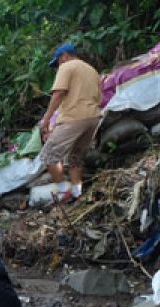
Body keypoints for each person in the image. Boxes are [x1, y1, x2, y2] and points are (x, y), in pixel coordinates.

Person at [38, 43, 102, 202]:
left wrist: (46, 119)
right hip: (93, 118)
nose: (58, 66)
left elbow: (59, 93)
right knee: (75, 158)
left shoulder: (67, 67)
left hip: (74, 117)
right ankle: (77, 193)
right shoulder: (92, 71)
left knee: (48, 155)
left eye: (58, 62)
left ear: (65, 56)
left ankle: (63, 189)